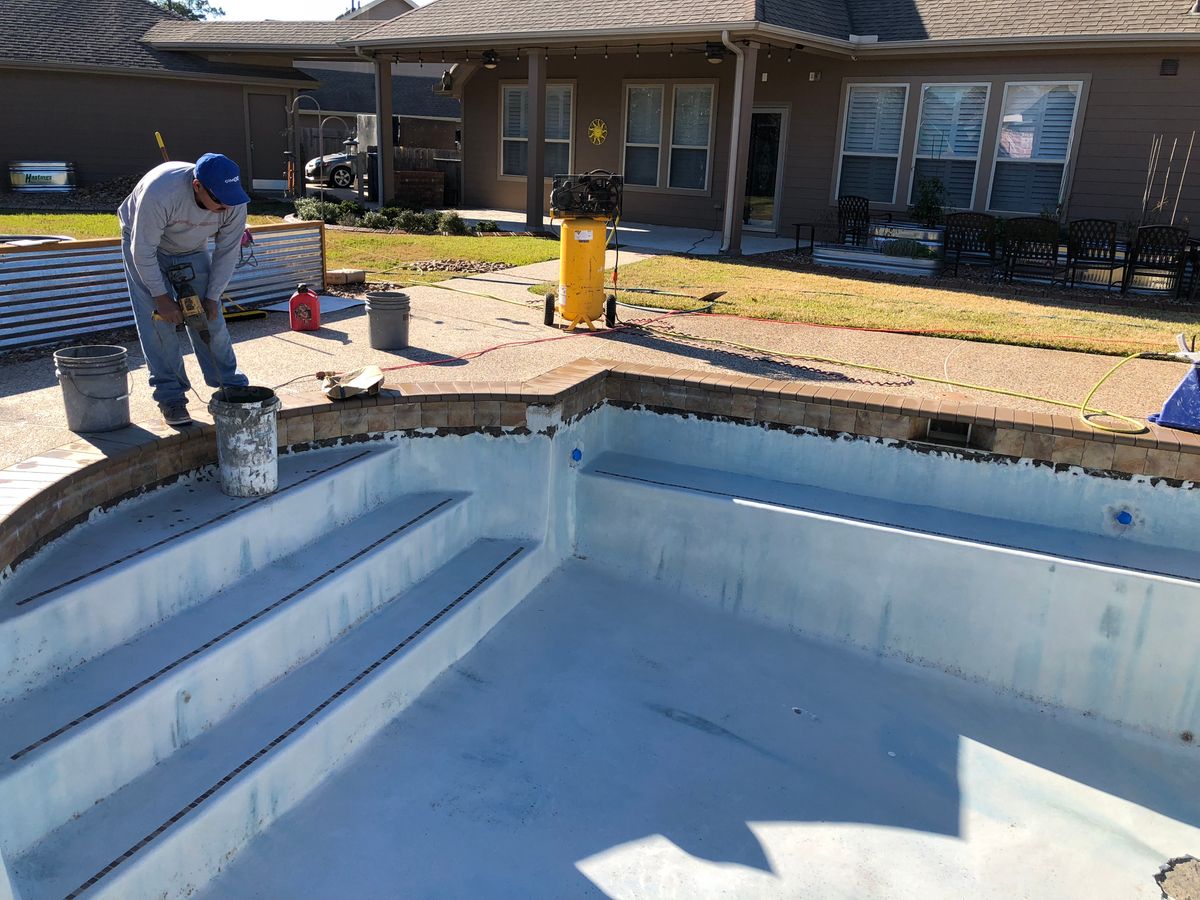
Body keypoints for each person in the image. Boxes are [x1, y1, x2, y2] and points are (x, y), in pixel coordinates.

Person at [118, 153, 251, 426]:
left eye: (230, 198)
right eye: (218, 200)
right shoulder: (161, 193)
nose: (225, 206)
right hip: (142, 243)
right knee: (157, 324)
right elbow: (142, 251)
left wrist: (212, 297)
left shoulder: (233, 202)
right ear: (197, 186)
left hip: (191, 247)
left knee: (209, 319)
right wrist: (161, 298)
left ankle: (229, 384)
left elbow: (227, 253)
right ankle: (171, 397)